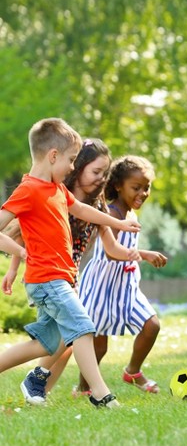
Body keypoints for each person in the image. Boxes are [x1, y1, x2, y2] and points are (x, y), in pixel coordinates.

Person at [0, 117, 141, 409]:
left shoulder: (57, 189)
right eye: (71, 159)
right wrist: (19, 252)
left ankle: (33, 380)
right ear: (53, 156)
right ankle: (102, 395)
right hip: (47, 280)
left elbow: (82, 210)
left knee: (46, 345)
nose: (72, 167)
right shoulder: (28, 190)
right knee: (83, 328)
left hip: (60, 279)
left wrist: (119, 224)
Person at [78, 155, 167, 395]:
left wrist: (139, 256)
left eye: (146, 187)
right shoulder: (113, 213)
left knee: (151, 325)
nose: (143, 193)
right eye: (136, 188)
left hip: (126, 286)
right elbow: (110, 253)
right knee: (99, 345)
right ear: (118, 186)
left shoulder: (130, 215)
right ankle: (84, 388)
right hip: (101, 285)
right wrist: (144, 254)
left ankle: (132, 372)